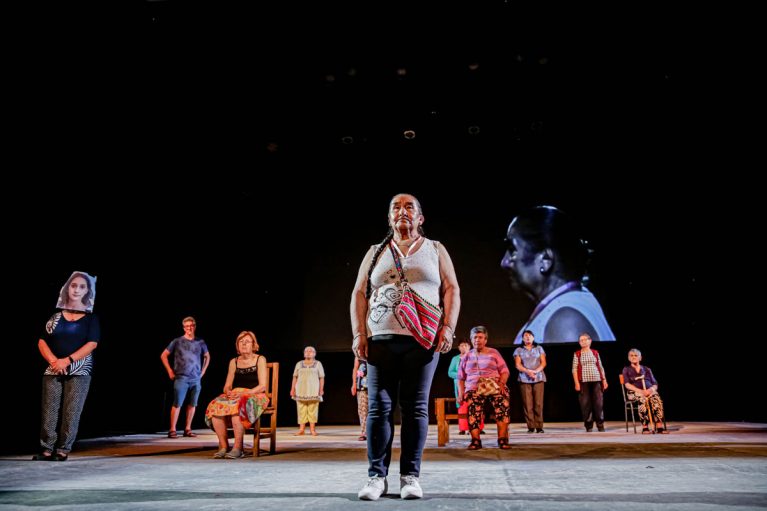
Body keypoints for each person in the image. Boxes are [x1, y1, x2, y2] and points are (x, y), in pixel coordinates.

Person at [350, 192, 460, 501]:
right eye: (395, 207)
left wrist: (448, 327)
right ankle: (376, 477)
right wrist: (359, 334)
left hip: (422, 340)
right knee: (378, 408)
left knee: (415, 408)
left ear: (420, 218)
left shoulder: (435, 249)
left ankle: (410, 476)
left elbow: (452, 288)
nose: (402, 211)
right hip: (380, 340)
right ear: (389, 218)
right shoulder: (375, 251)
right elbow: (358, 293)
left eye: (409, 206)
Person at [501, 205, 616, 343]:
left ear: (546, 260)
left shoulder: (566, 322)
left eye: (512, 249)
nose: (504, 262)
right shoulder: (566, 308)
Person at [34, 272, 100, 461]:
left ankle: (63, 448)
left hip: (80, 370)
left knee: (72, 411)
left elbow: (92, 344)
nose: (77, 289)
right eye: (73, 285)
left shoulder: (91, 319)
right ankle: (46, 448)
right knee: (49, 409)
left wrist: (67, 360)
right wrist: (54, 361)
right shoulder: (56, 317)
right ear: (67, 288)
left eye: (82, 286)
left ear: (87, 291)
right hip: (53, 368)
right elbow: (42, 341)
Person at [205, 331, 269, 458]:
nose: (244, 344)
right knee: (215, 405)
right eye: (241, 341)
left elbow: (263, 386)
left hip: (255, 395)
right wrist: (228, 391)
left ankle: (238, 448)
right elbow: (227, 385)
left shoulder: (260, 359)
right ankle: (224, 446)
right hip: (236, 394)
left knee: (237, 406)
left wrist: (245, 393)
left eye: (247, 341)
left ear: (253, 345)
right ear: (237, 345)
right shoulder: (233, 362)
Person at [457, 325, 512, 451]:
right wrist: (461, 394)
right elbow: (460, 377)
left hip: (494, 386)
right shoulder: (467, 356)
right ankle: (475, 440)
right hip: (474, 388)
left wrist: (501, 384)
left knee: (502, 403)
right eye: (475, 337)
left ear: (485, 340)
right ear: (471, 340)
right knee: (473, 407)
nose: (478, 340)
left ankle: (502, 439)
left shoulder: (494, 353)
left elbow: (505, 371)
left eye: (480, 337)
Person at [160, 316, 210, 438]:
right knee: (177, 403)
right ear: (183, 328)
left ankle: (187, 429)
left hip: (196, 378)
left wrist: (203, 371)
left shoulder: (200, 342)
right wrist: (170, 371)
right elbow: (163, 355)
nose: (189, 328)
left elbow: (207, 356)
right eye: (187, 326)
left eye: (191, 326)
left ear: (195, 326)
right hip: (181, 377)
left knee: (193, 404)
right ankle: (172, 429)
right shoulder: (177, 341)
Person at [622, 349, 668, 434]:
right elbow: (627, 385)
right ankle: (645, 427)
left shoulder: (646, 369)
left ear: (640, 358)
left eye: (636, 355)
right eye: (631, 355)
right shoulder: (626, 369)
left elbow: (655, 384)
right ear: (628, 358)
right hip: (635, 392)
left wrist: (650, 390)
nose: (633, 357)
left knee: (656, 398)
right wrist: (641, 391)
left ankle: (659, 426)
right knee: (642, 399)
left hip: (649, 391)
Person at [572, 333, 608, 432]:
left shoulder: (595, 352)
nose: (583, 342)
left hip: (596, 380)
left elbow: (600, 366)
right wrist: (576, 383)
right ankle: (588, 425)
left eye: (585, 339)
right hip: (583, 382)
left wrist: (604, 379)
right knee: (585, 404)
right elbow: (574, 369)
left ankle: (600, 425)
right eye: (581, 340)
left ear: (590, 341)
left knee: (598, 403)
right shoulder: (577, 354)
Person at [513, 330, 547, 433]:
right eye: (525, 336)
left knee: (538, 403)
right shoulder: (519, 350)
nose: (528, 337)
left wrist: (535, 372)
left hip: (538, 377)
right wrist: (528, 372)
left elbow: (543, 363)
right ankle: (531, 426)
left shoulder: (539, 348)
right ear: (522, 338)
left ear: (533, 337)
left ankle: (539, 426)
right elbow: (518, 365)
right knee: (528, 404)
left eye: (530, 335)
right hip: (524, 378)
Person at [290, 346, 325, 436]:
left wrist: (321, 389)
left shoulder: (318, 364)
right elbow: (295, 377)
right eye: (306, 351)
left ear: (314, 353)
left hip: (313, 390)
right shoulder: (299, 364)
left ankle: (312, 429)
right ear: (304, 353)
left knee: (313, 409)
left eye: (311, 351)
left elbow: (321, 377)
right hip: (301, 389)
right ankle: (301, 429)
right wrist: (292, 389)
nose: (308, 352)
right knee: (301, 409)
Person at [447, 339, 480, 435]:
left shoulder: (474, 357)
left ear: (469, 347)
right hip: (459, 385)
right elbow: (450, 372)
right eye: (462, 345)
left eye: (466, 345)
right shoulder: (455, 359)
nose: (464, 347)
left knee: (475, 405)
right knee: (462, 404)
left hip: (472, 384)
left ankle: (476, 427)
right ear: (458, 348)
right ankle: (463, 428)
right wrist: (461, 376)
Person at [352, 356, 368, 441]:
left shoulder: (376, 351)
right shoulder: (358, 355)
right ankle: (364, 432)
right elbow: (355, 369)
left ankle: (374, 432)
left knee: (375, 409)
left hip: (374, 385)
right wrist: (354, 384)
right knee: (362, 410)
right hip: (361, 385)